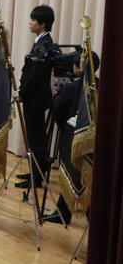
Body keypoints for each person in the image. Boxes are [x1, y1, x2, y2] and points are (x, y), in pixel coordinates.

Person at [42, 51, 100, 224]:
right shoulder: (101, 86)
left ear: (78, 66)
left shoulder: (72, 88)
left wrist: (64, 127)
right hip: (94, 142)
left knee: (69, 173)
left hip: (72, 138)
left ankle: (63, 212)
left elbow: (58, 110)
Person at [15, 5, 58, 189]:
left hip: (35, 99)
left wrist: (22, 93)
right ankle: (35, 171)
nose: (30, 23)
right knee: (34, 138)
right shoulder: (41, 41)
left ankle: (37, 177)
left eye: (33, 20)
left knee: (36, 139)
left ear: (42, 24)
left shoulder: (44, 44)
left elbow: (35, 75)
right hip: (34, 98)